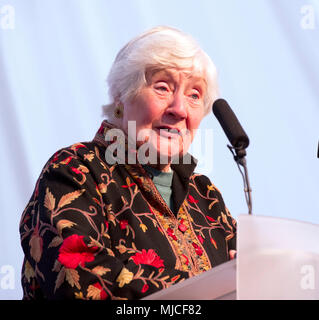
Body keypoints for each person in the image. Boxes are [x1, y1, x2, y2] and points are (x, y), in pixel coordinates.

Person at [19, 26, 237, 300]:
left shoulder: (206, 196)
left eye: (195, 95)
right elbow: (79, 279)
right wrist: (207, 289)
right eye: (162, 87)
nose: (179, 109)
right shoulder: (75, 170)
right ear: (121, 97)